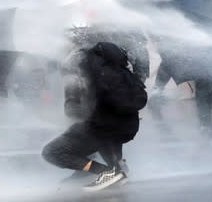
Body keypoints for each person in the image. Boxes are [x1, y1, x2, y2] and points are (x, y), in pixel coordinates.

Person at [42, 42, 147, 191]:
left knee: (52, 152)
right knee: (105, 136)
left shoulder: (85, 69)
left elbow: (74, 110)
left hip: (101, 127)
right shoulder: (122, 71)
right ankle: (117, 167)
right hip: (127, 127)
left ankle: (106, 172)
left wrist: (73, 108)